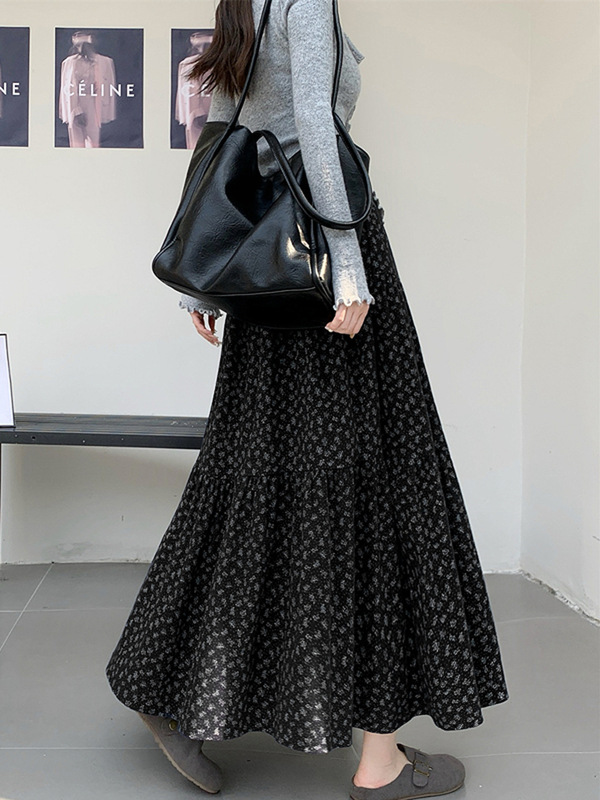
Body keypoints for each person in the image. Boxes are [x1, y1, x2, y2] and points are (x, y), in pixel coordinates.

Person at [105, 1, 510, 798]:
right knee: (383, 481)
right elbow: (317, 130)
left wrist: (202, 277)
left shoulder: (245, 1)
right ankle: (379, 761)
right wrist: (350, 271)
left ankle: (169, 686)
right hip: (323, 265)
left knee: (251, 477)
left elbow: (220, 130)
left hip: (265, 267)